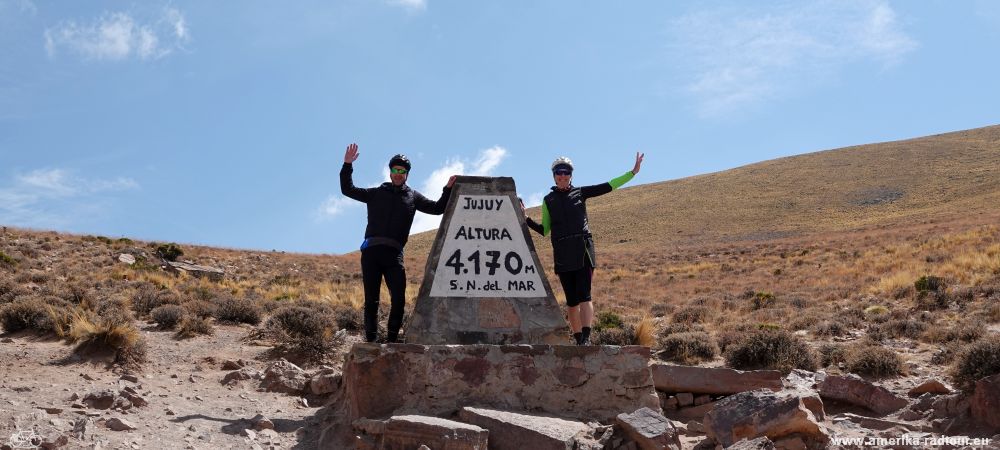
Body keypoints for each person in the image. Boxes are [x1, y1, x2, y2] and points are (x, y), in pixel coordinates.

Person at [340, 143, 457, 343]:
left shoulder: (413, 196)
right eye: (395, 170)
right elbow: (347, 189)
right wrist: (347, 165)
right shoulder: (376, 193)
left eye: (402, 171)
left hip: (394, 255)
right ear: (390, 172)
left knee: (399, 299)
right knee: (371, 300)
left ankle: (392, 339)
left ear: (407, 174)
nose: (398, 173)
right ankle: (371, 340)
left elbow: (438, 208)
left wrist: (447, 189)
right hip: (371, 253)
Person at [525, 153, 644, 345]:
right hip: (562, 253)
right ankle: (578, 338)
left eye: (566, 172)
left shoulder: (580, 193)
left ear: (571, 175)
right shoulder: (548, 200)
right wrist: (527, 219)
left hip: (583, 250)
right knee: (571, 301)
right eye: (558, 173)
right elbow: (544, 230)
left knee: (584, 296)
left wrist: (632, 173)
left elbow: (608, 186)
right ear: (554, 175)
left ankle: (587, 338)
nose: (562, 176)